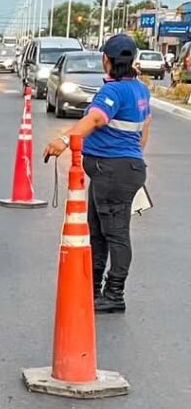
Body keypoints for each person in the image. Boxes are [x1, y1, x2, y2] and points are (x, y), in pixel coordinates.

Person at [42, 32, 150, 314]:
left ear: (105, 60)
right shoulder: (140, 89)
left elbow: (96, 118)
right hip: (119, 169)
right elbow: (144, 128)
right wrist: (132, 156)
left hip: (113, 171)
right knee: (98, 232)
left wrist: (63, 140)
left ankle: (114, 294)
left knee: (115, 233)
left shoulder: (113, 92)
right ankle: (92, 288)